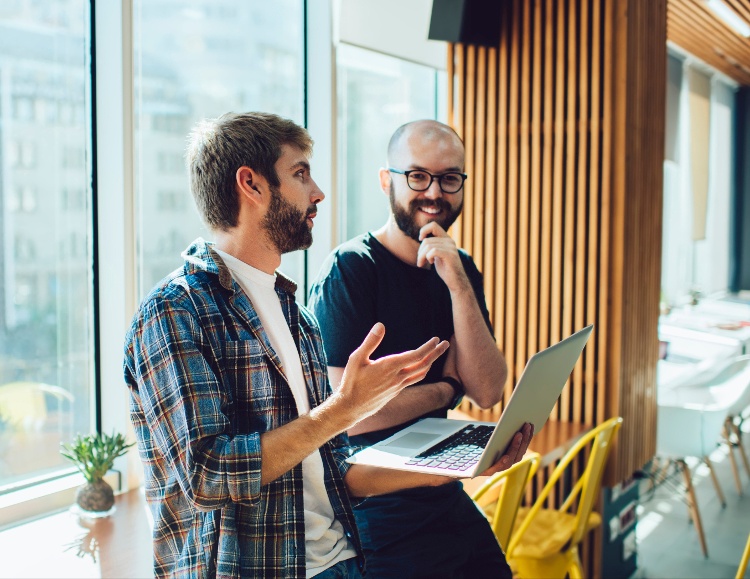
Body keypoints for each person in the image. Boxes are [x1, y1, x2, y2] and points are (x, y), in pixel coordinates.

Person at [123, 112, 532, 579]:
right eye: (300, 174)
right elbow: (207, 475)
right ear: (250, 185)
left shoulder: (293, 314)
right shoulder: (175, 311)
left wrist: (457, 468)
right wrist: (345, 409)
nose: (318, 192)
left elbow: (333, 469)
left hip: (343, 558)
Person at [309, 119, 522, 578]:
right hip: (372, 507)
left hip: (442, 487)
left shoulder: (459, 267)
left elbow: (487, 390)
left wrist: (458, 283)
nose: (434, 192)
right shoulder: (350, 270)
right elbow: (350, 416)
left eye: (449, 178)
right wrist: (446, 389)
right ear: (387, 181)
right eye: (418, 176)